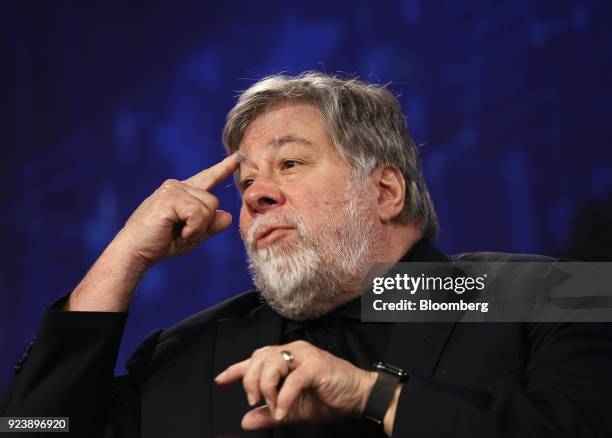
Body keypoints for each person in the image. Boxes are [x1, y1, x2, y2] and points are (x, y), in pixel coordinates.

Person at [2, 72, 612, 438]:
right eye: (244, 185)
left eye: (291, 163)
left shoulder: (543, 291)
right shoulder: (190, 354)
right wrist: (124, 256)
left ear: (384, 190)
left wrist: (376, 395)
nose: (258, 192)